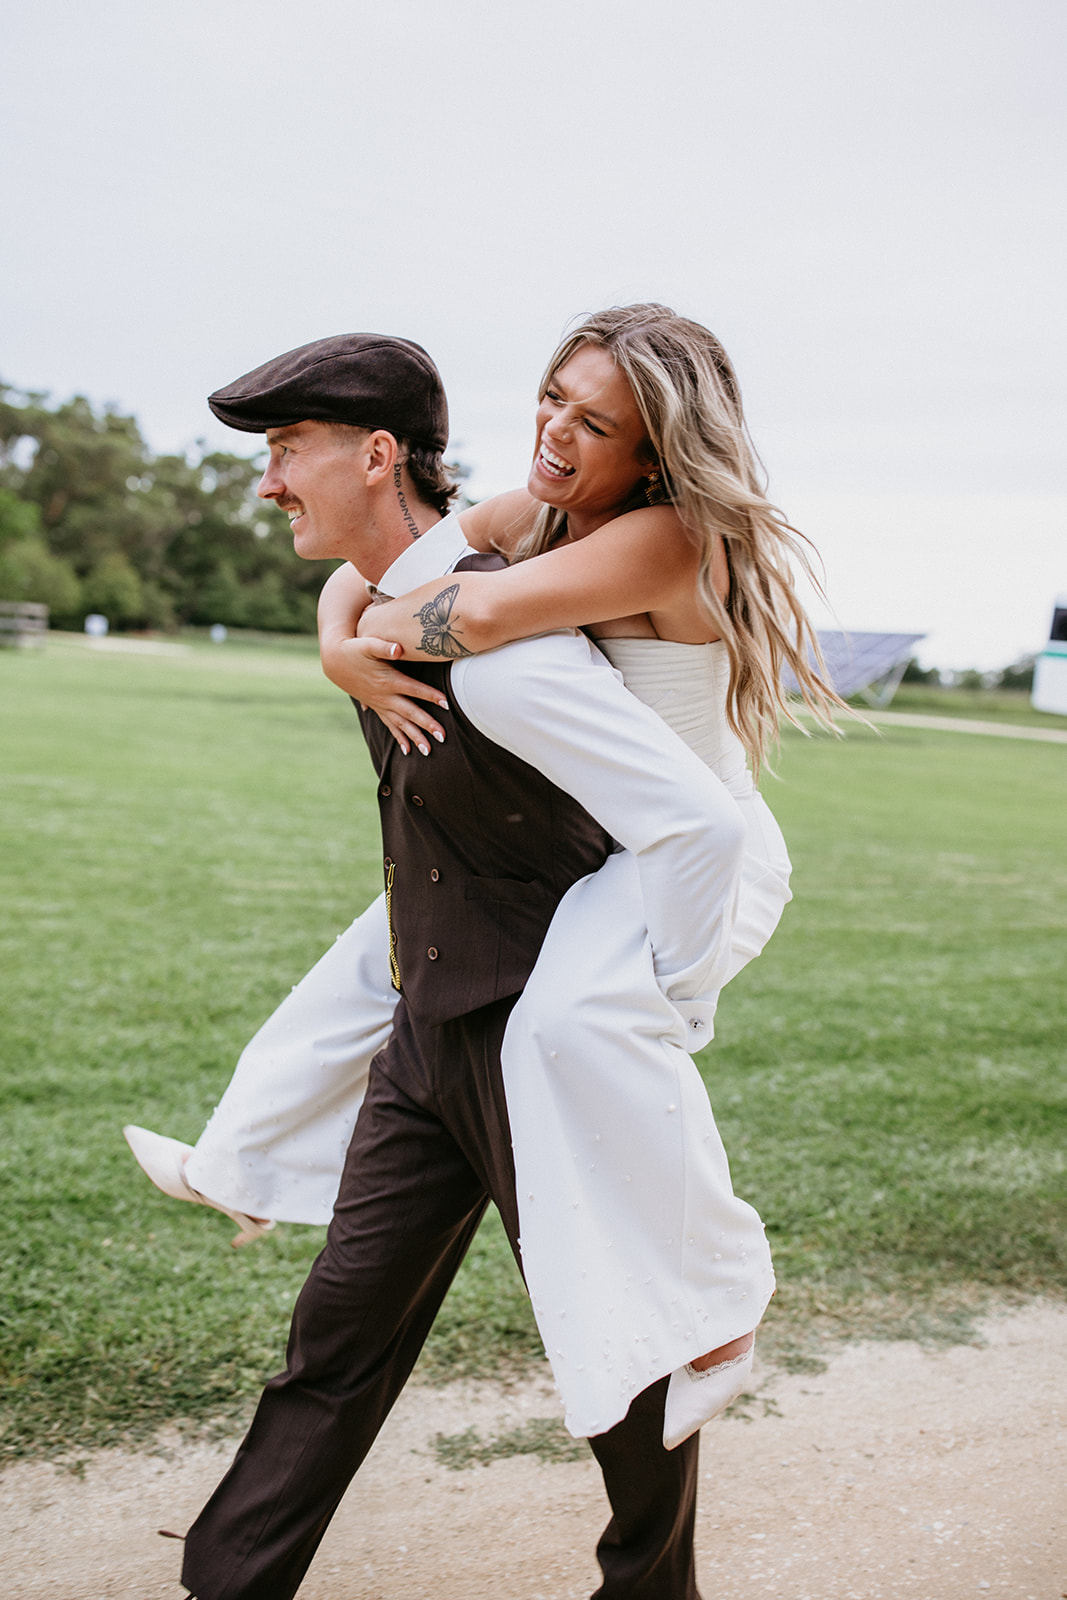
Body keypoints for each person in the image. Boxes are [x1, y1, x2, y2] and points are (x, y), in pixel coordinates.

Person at [166, 325, 763, 1600]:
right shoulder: (525, 528)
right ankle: (226, 1581)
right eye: (551, 400)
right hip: (433, 1016)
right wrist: (343, 639)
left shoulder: (598, 582)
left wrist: (667, 1001)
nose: (554, 431)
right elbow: (419, 579)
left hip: (566, 976)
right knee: (336, 1334)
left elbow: (484, 619)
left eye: (593, 422)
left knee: (618, 1347)